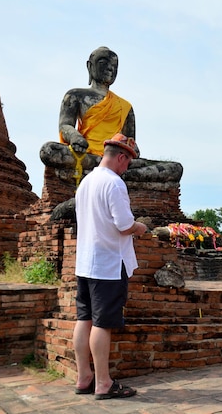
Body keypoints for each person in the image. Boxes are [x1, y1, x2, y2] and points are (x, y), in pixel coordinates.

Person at [72, 133, 148, 400]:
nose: (127, 168)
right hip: (108, 263)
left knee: (84, 319)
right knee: (102, 324)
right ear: (121, 157)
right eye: (128, 162)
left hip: (85, 263)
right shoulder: (114, 184)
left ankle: (84, 377)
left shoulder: (86, 182)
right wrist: (141, 227)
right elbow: (124, 225)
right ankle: (103, 382)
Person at [40, 46, 183, 184]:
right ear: (90, 66)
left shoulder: (125, 106)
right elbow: (65, 125)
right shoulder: (76, 95)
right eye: (104, 63)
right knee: (49, 151)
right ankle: (120, 175)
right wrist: (75, 137)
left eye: (115, 65)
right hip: (86, 154)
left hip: (116, 158)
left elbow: (129, 141)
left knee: (174, 168)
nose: (110, 68)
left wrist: (133, 147)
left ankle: (119, 172)